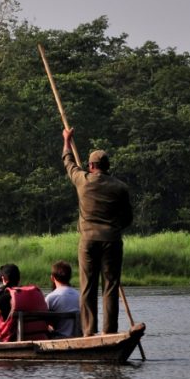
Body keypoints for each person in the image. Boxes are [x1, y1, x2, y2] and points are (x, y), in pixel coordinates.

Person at [62, 128, 133, 335]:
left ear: (91, 166)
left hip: (88, 241)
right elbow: (128, 218)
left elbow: (68, 162)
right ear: (107, 167)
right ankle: (109, 332)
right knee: (110, 287)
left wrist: (67, 140)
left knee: (88, 287)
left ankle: (88, 331)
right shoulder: (120, 187)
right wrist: (115, 227)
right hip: (112, 239)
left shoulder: (82, 180)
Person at [0, 263, 50, 343]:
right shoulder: (33, 293)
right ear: (19, 279)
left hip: (11, 340)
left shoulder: (3, 297)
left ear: (3, 279)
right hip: (38, 338)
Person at [45, 260, 81, 338]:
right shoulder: (79, 296)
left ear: (52, 278)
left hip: (58, 338)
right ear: (70, 277)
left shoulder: (51, 298)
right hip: (77, 337)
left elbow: (43, 322)